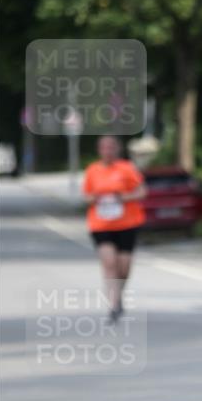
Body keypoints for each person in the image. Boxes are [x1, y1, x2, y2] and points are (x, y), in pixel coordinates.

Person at [82, 135, 146, 322]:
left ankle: (118, 294)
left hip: (127, 224)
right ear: (99, 150)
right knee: (109, 263)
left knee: (124, 267)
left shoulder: (126, 168)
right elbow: (85, 196)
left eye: (111, 147)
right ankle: (114, 304)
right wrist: (95, 198)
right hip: (100, 225)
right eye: (104, 147)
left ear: (117, 149)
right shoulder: (92, 170)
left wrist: (122, 197)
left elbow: (142, 192)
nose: (107, 151)